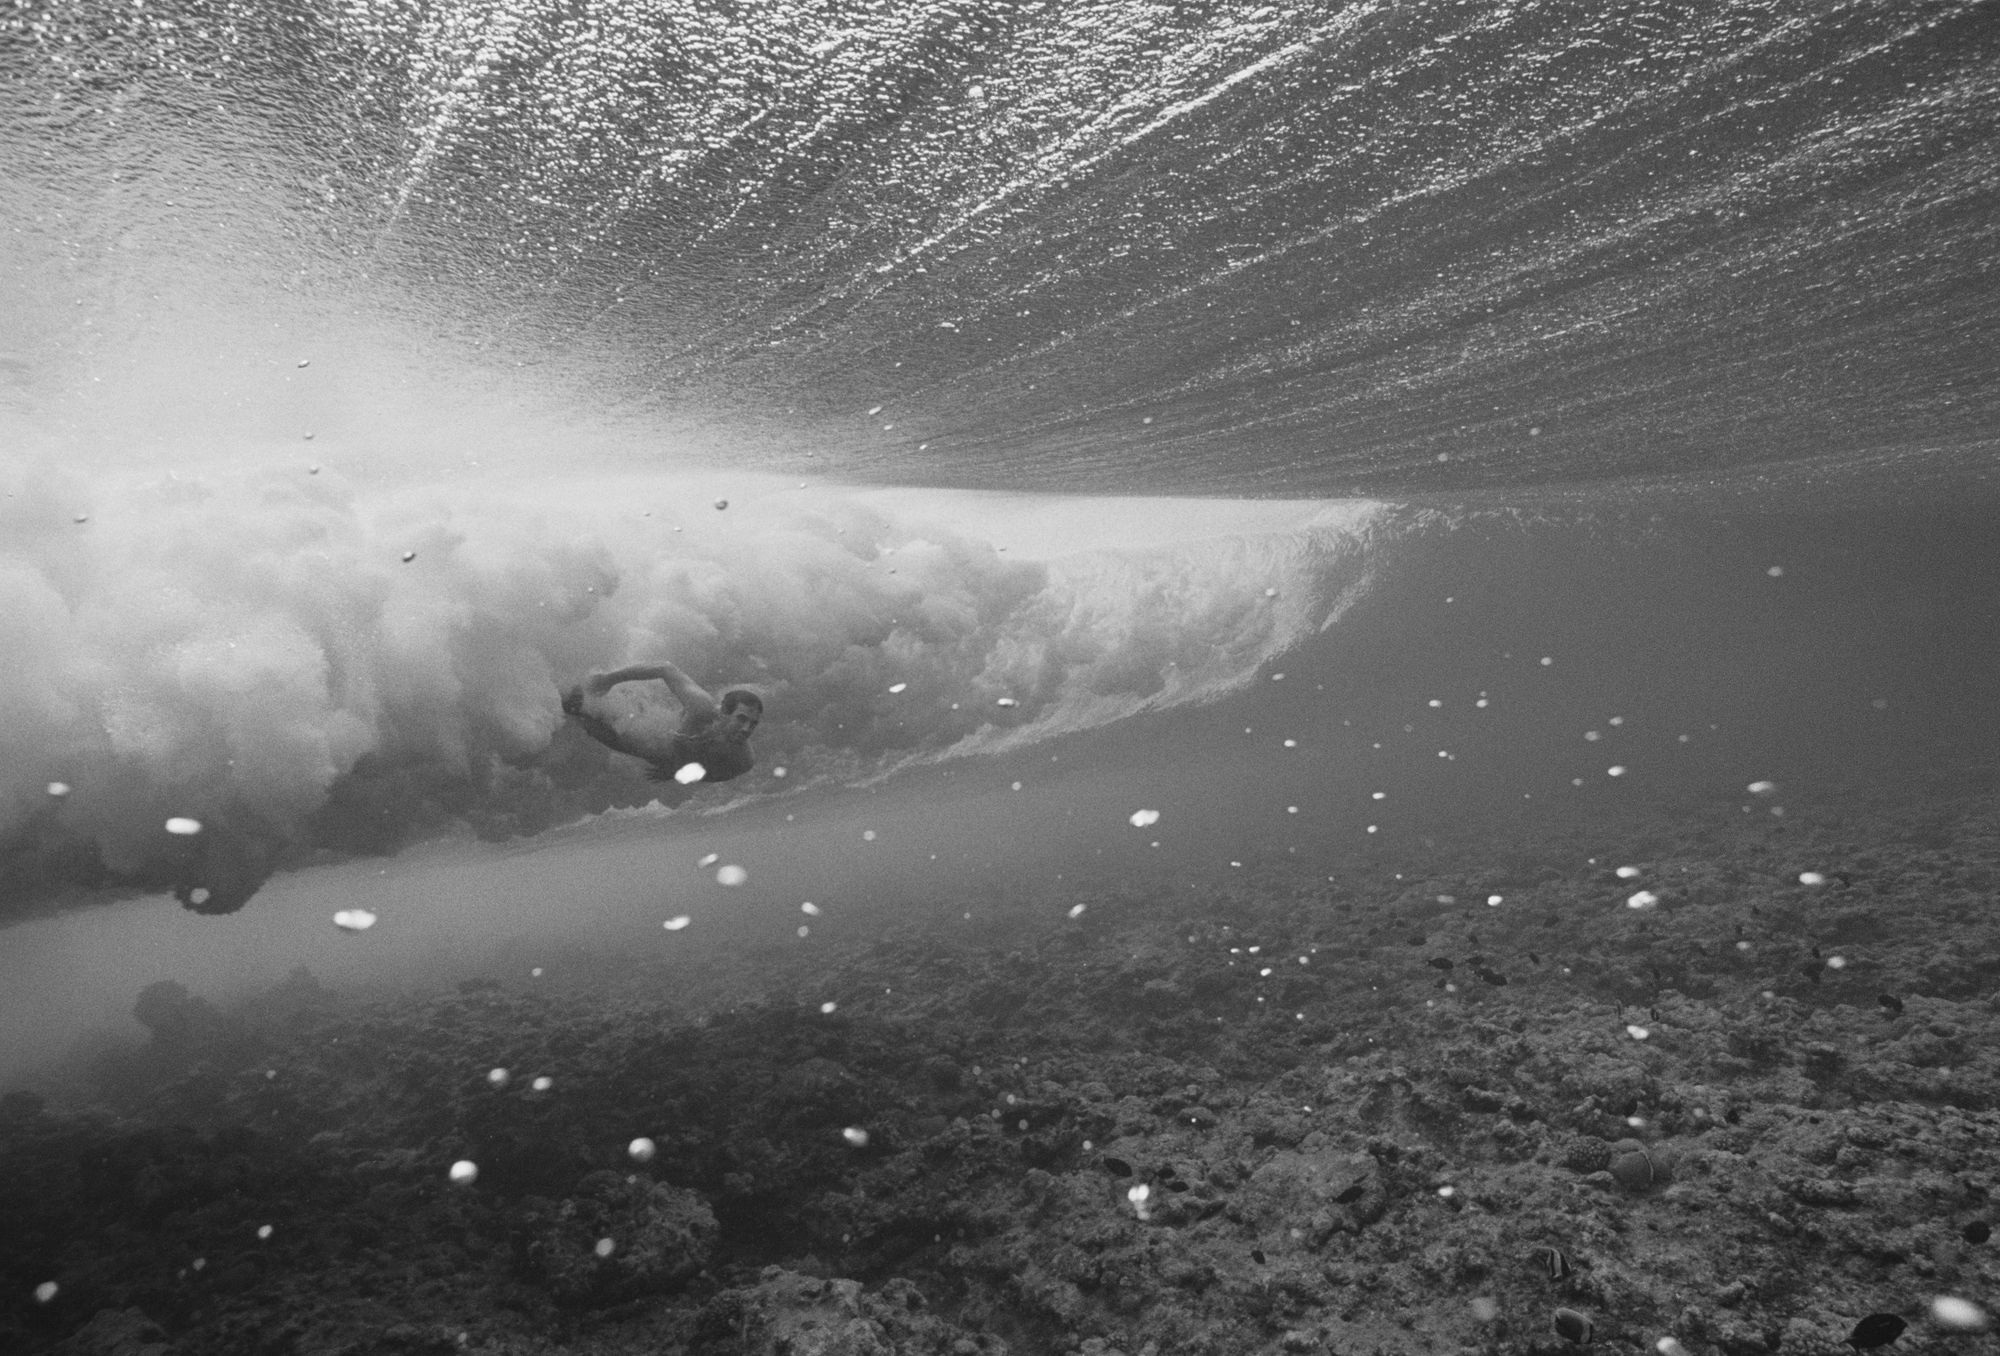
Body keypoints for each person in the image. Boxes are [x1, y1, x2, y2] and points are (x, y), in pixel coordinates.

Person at [560, 661, 761, 786]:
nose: (747, 729)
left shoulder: (743, 759)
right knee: (576, 703)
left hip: (648, 751)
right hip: (650, 727)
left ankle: (561, 698)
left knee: (581, 717)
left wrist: (677, 771)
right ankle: (559, 678)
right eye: (741, 719)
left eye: (753, 723)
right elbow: (665, 668)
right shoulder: (702, 707)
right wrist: (609, 679)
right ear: (724, 712)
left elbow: (714, 775)